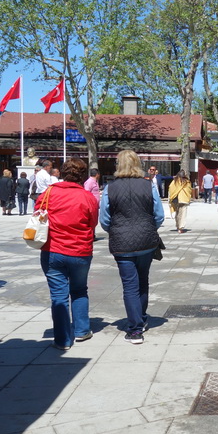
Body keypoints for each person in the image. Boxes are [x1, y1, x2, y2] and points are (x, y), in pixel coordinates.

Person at [99, 150, 164, 345]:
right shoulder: (148, 185)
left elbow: (104, 219)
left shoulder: (110, 188)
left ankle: (135, 329)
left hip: (122, 242)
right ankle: (141, 318)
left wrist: (116, 229)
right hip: (146, 241)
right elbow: (159, 215)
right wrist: (149, 227)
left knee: (130, 285)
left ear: (118, 165)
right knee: (143, 280)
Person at [36, 158, 99, 350]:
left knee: (58, 295)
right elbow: (93, 223)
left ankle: (62, 339)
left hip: (53, 249)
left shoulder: (48, 193)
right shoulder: (87, 197)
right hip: (80, 250)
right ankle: (81, 330)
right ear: (82, 175)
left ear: (62, 173)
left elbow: (37, 214)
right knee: (79, 290)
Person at [84, 168, 101, 240]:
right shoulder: (89, 182)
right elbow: (86, 192)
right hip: (91, 205)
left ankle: (93, 234)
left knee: (94, 220)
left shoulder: (95, 182)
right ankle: (90, 235)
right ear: (97, 174)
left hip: (95, 205)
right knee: (91, 220)